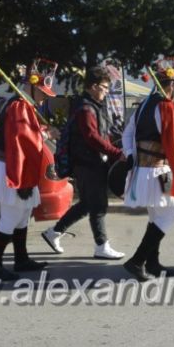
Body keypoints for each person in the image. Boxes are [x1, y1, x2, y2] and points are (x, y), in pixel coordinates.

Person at [0, 59, 56, 280]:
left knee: (22, 216)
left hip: (12, 163)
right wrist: (45, 135)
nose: (43, 97)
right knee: (11, 216)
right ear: (30, 86)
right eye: (41, 92)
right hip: (10, 166)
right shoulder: (19, 106)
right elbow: (22, 141)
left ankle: (21, 260)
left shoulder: (22, 105)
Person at [41, 66, 126, 260]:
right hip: (88, 164)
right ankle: (101, 246)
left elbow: (103, 133)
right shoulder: (86, 109)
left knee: (87, 204)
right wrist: (116, 153)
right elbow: (92, 137)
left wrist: (119, 143)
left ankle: (54, 233)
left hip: (89, 163)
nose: (106, 91)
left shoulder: (92, 106)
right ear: (94, 86)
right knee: (98, 205)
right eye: (104, 87)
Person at [120, 57, 174, 281]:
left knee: (155, 216)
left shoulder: (144, 106)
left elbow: (128, 134)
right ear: (170, 86)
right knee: (168, 216)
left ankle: (152, 262)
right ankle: (137, 261)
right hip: (158, 170)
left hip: (143, 169)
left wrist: (131, 155)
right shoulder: (166, 107)